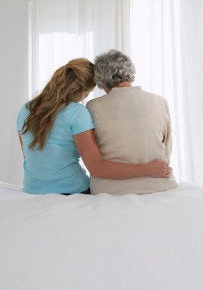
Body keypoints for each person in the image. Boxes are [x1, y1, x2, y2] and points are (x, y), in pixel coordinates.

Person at [17, 58, 170, 195]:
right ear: (82, 91)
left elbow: (30, 155)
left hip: (32, 188)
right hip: (71, 190)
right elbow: (97, 168)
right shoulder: (77, 113)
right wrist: (149, 169)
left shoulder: (25, 109)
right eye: (89, 92)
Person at [86, 50, 178, 195]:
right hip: (158, 185)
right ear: (130, 73)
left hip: (110, 191)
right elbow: (166, 149)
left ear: (101, 81)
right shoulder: (160, 102)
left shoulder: (92, 106)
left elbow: (94, 159)